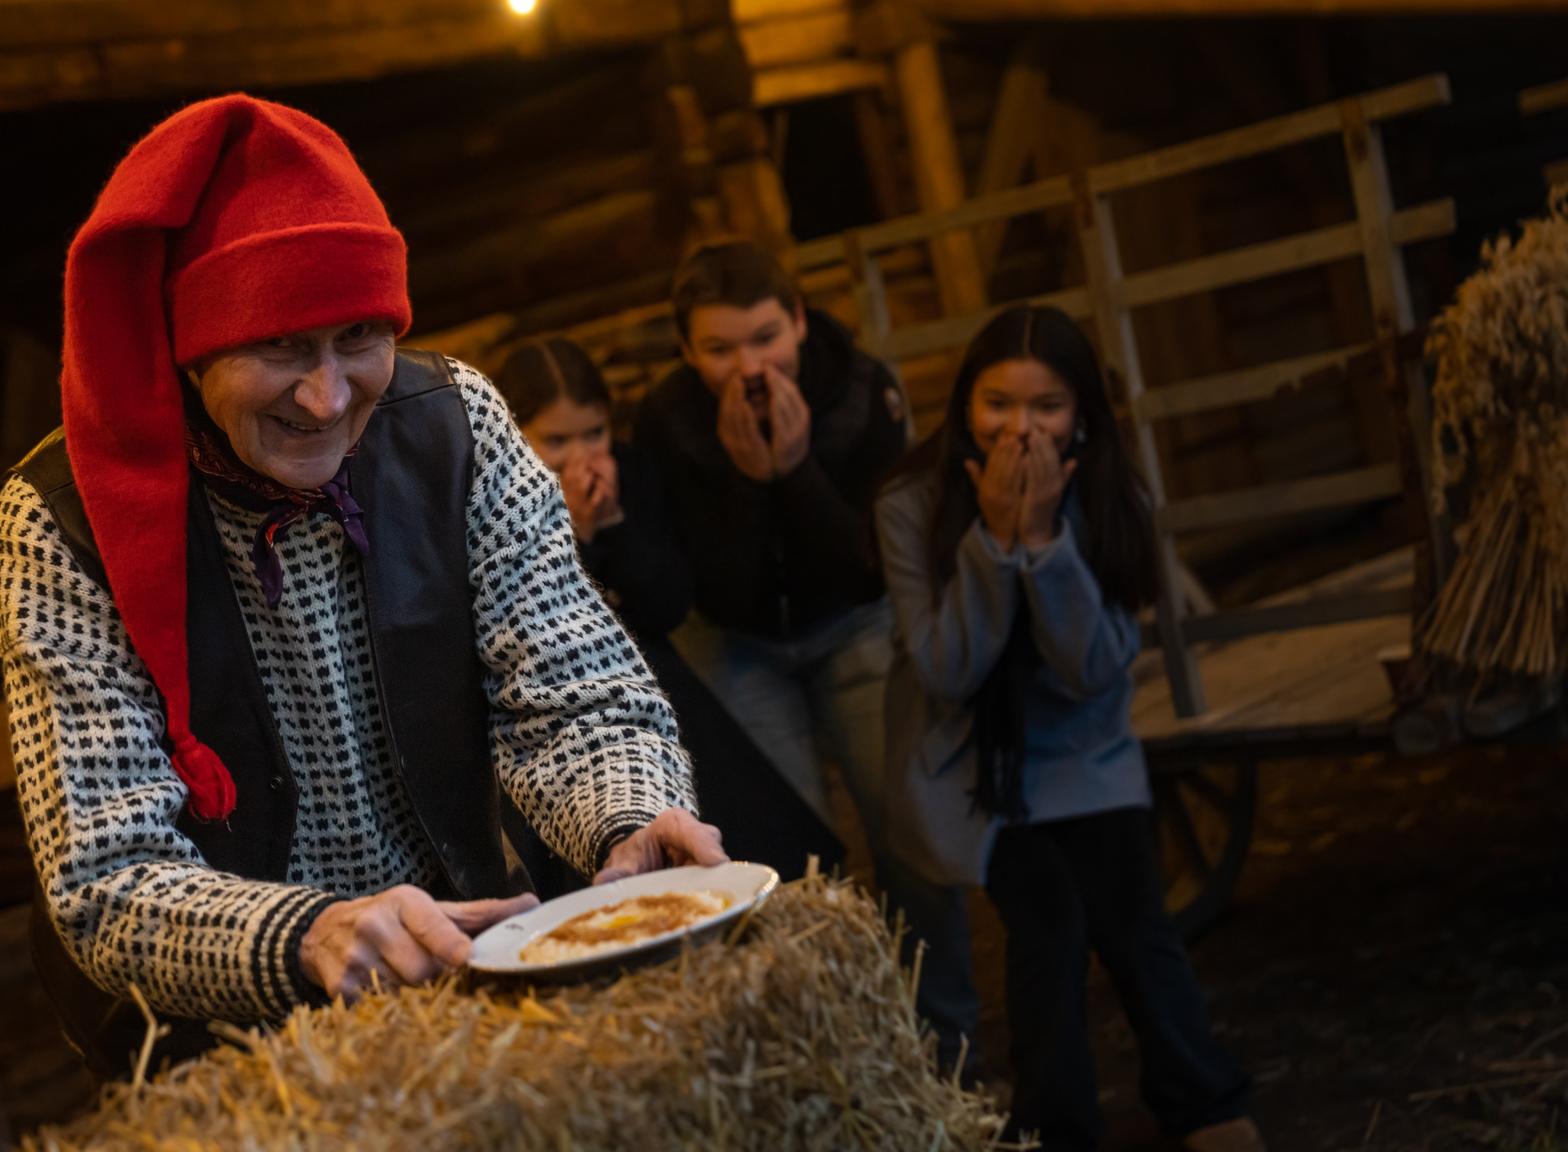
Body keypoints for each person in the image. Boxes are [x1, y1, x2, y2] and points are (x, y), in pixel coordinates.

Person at [0, 94, 725, 1076]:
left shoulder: (454, 429)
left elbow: (575, 692)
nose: (327, 397)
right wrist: (306, 935)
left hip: (458, 959)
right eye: (279, 347)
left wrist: (629, 819)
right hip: (224, 1043)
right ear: (187, 345)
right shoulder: (59, 519)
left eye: (356, 338)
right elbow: (107, 872)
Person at [873, 305, 1261, 1152]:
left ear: (1082, 411)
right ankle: (1058, 1130)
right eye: (997, 404)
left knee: (1133, 918)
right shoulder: (910, 502)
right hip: (974, 760)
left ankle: (1202, 1102)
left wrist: (1043, 540)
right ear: (964, 408)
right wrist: (992, 543)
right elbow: (944, 670)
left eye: (1046, 406)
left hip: (1085, 746)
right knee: (1048, 927)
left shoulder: (1115, 491)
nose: (1021, 428)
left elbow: (1096, 669)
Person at [634, 239, 979, 1058]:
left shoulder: (861, 390)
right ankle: (836, 1053)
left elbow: (872, 564)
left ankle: (949, 1042)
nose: (748, 365)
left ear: (796, 321)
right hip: (739, 642)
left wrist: (794, 474)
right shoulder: (668, 422)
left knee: (908, 836)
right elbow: (708, 586)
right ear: (687, 351)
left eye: (764, 338)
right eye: (719, 349)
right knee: (781, 862)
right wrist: (750, 489)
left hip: (852, 624)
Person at [496, 338, 845, 882]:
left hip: (654, 678)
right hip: (561, 699)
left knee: (744, 819)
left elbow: (667, 605)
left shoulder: (630, 473)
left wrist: (613, 526)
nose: (581, 454)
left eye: (594, 433)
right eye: (556, 440)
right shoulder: (497, 500)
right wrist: (576, 535)